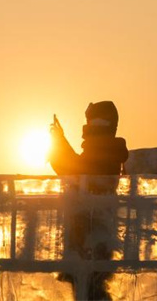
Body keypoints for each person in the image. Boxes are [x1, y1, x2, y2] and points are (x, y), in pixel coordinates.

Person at [48, 101, 128, 301]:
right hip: (88, 231)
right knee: (88, 285)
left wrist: (58, 143)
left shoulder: (105, 150)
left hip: (92, 232)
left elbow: (75, 169)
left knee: (91, 286)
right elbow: (76, 167)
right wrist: (59, 142)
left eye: (95, 120)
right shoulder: (105, 149)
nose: (91, 125)